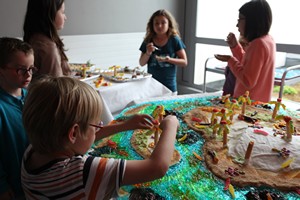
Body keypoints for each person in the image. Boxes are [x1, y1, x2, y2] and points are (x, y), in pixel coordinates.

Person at [21, 76, 179, 199]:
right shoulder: (82, 172)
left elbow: (83, 136)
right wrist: (170, 125)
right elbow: (156, 167)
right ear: (73, 133)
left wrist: (125, 125)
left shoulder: (33, 151)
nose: (99, 129)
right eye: (96, 125)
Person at [215, 0, 275, 102]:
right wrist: (235, 47)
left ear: (252, 20)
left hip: (248, 105)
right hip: (258, 103)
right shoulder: (268, 40)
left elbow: (248, 81)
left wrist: (230, 60)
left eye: (240, 19)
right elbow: (249, 66)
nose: (237, 25)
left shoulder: (258, 44)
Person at [0, 37, 35, 200]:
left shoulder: (31, 98)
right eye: (21, 69)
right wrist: (2, 186)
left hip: (33, 180)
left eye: (31, 68)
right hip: (12, 185)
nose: (28, 75)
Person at [139, 9, 188, 94]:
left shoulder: (174, 40)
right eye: (156, 23)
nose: (159, 26)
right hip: (151, 87)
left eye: (163, 22)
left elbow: (184, 62)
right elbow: (141, 63)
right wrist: (148, 52)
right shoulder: (148, 40)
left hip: (169, 88)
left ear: (169, 24)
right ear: (152, 25)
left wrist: (168, 60)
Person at [23, 0, 71, 78]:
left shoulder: (34, 38)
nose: (65, 17)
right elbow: (55, 84)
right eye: (62, 12)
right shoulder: (48, 47)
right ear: (49, 15)